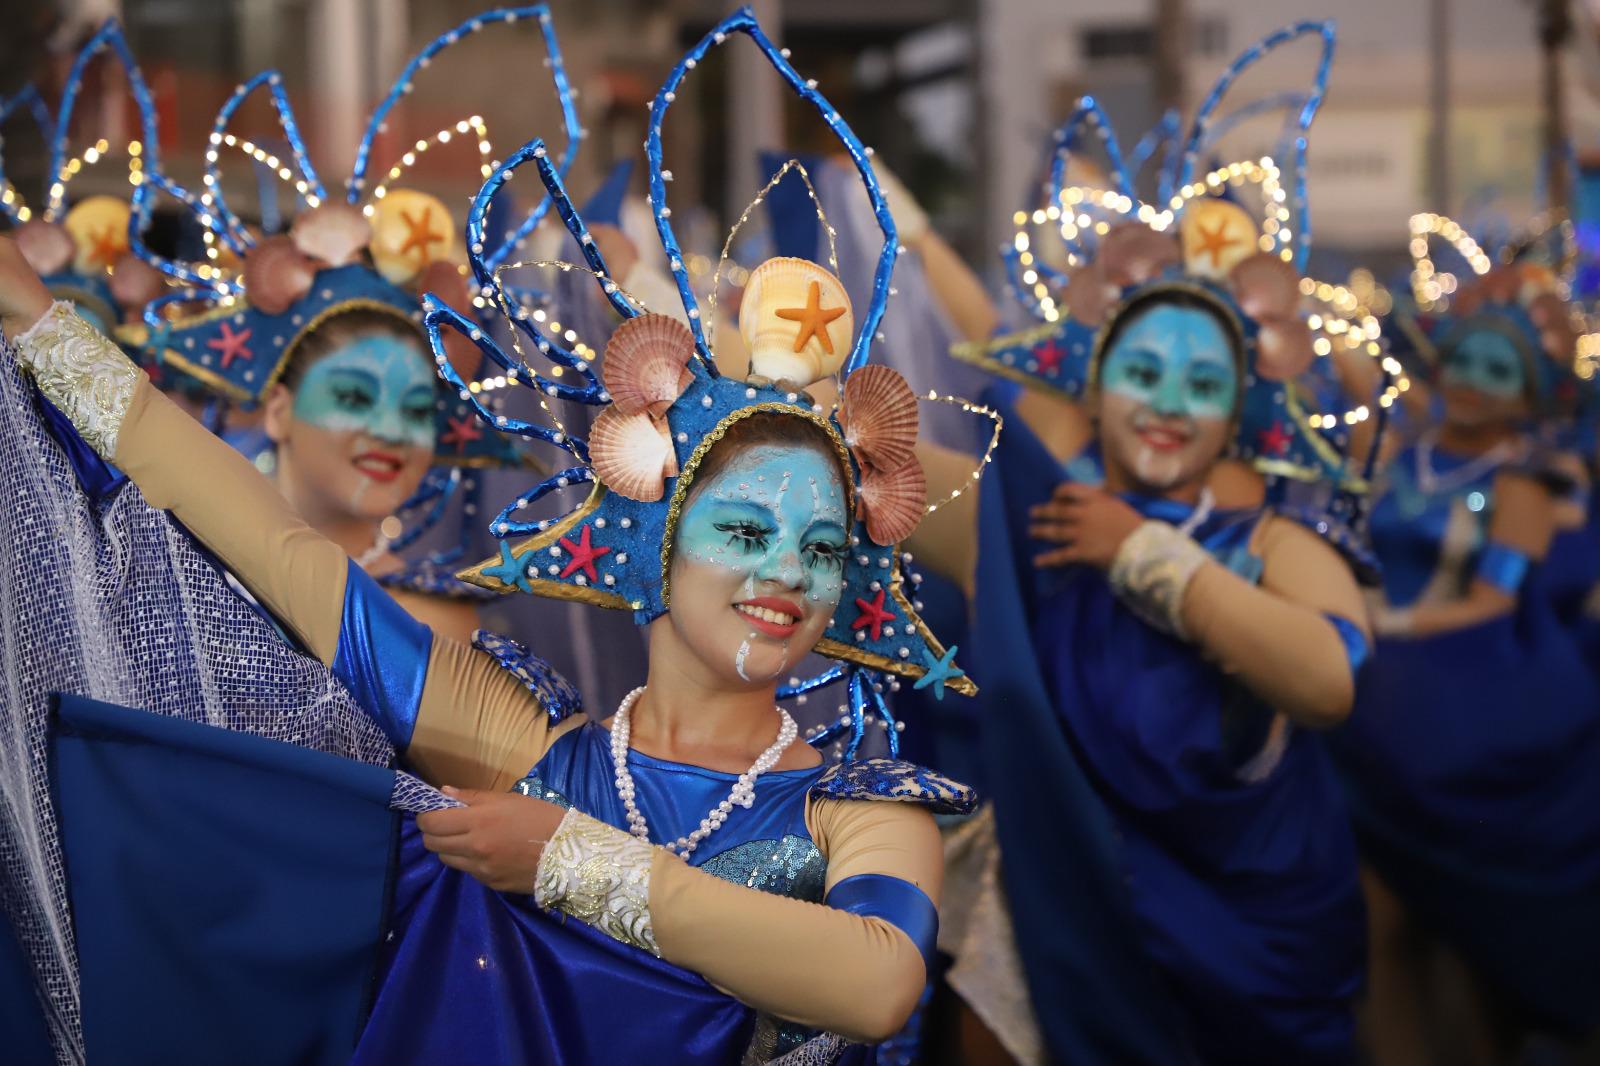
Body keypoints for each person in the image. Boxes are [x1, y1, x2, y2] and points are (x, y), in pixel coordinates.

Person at [0, 11, 975, 1062]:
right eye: (743, 527)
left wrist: (568, 862)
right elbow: (279, 551)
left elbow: (878, 981)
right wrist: (43, 330)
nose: (785, 568)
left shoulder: (857, 812)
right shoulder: (517, 748)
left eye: (821, 548)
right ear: (650, 538)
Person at [914, 24, 1383, 1064]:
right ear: (1089, 380)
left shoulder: (1272, 530)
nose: (1168, 404)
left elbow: (1327, 677)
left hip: (1254, 936)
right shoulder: (1033, 517)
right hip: (1068, 904)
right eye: (1143, 369)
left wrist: (1142, 556)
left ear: (1237, 414)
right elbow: (869, 460)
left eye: (1201, 382)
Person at [1332, 248, 1600, 1063]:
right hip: (1359, 717)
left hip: (1460, 718)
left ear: (1529, 394)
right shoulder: (1388, 450)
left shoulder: (1521, 486)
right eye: (1468, 359)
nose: (1477, 379)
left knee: (1473, 937)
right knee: (1375, 929)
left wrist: (1392, 625)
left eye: (1500, 368)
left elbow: (1493, 601)